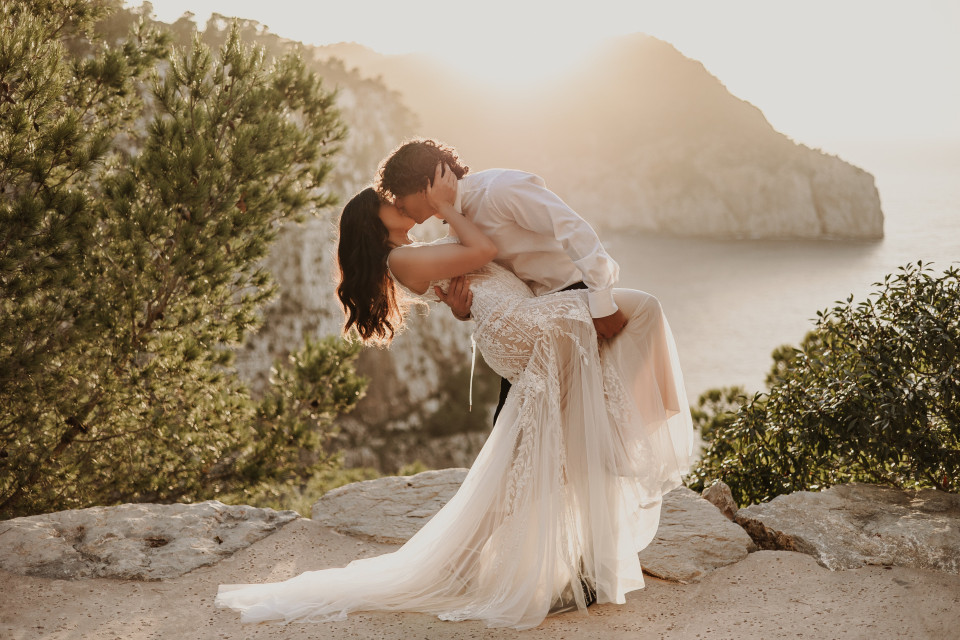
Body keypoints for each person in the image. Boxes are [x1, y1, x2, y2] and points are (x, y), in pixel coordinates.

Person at [215, 159, 695, 631]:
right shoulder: (401, 257)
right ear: (372, 221)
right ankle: (637, 436)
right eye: (386, 203)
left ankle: (504, 561)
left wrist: (461, 296)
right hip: (524, 328)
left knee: (539, 448)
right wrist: (450, 209)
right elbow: (482, 251)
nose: (396, 205)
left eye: (396, 197)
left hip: (524, 321)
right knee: (642, 312)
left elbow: (479, 277)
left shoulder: (433, 239)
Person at [376, 139, 629, 424]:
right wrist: (463, 310)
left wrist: (602, 302)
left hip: (576, 298)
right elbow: (492, 282)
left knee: (581, 423)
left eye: (399, 194)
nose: (397, 203)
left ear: (424, 186)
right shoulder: (458, 225)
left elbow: (572, 227)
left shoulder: (500, 188)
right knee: (517, 428)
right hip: (535, 318)